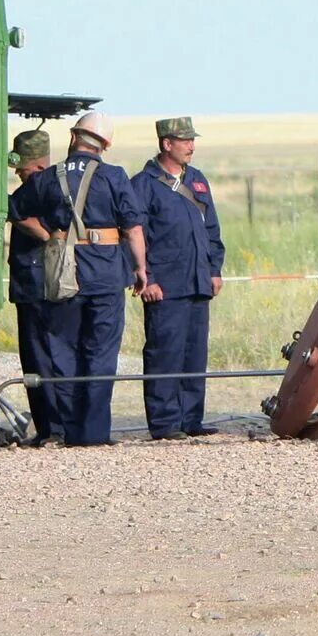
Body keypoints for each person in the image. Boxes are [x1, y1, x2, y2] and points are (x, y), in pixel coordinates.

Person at [10, 110, 148, 447]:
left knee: (63, 352)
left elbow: (13, 208)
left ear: (74, 138)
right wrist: (141, 269)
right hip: (106, 276)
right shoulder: (114, 176)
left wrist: (49, 236)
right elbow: (132, 229)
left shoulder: (47, 178)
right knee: (101, 354)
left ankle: (67, 430)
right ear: (104, 144)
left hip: (64, 275)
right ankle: (94, 434)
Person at [131, 117, 224, 439]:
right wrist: (148, 278)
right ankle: (165, 423)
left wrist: (214, 270)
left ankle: (191, 420)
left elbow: (211, 229)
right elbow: (136, 234)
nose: (191, 146)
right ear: (166, 144)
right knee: (164, 354)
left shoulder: (197, 180)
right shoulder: (143, 184)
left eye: (192, 140)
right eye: (184, 141)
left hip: (198, 281)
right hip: (165, 286)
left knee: (194, 354)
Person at [6, 129, 59, 444]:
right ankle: (53, 426)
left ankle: (51, 427)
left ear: (36, 165)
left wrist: (13, 213)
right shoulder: (58, 185)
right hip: (41, 283)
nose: (18, 172)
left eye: (21, 167)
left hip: (38, 284)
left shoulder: (40, 188)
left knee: (40, 357)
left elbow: (46, 233)